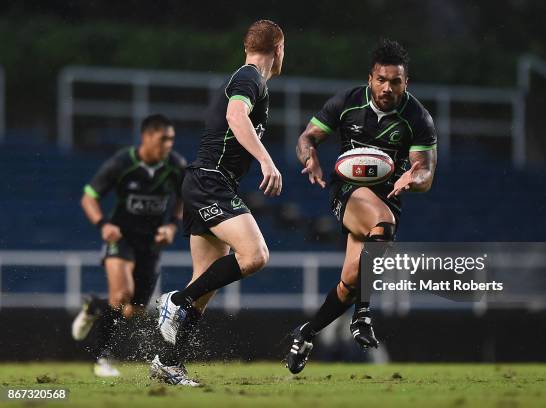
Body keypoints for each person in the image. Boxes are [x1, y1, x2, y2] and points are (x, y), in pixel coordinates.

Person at [286, 39, 438, 374]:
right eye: (381, 79)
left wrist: (414, 179)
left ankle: (306, 333)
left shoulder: (417, 117)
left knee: (351, 280)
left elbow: (426, 172)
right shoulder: (347, 102)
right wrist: (309, 154)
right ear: (370, 78)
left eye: (395, 81)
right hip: (349, 192)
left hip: (389, 197)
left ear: (405, 83)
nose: (387, 87)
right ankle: (362, 316)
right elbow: (307, 137)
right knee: (383, 225)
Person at [150, 19, 285, 386]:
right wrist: (266, 159)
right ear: (279, 50)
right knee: (255, 255)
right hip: (211, 182)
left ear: (246, 46)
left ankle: (168, 363)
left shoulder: (248, 76)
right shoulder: (250, 78)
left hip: (203, 182)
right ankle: (173, 302)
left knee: (204, 289)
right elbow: (234, 115)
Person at [72, 114, 186, 377]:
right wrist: (103, 225)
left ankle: (94, 307)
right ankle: (102, 360)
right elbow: (89, 197)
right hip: (121, 239)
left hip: (151, 245)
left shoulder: (175, 166)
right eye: (163, 139)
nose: (168, 144)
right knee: (121, 294)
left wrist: (171, 225)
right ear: (146, 137)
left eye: (171, 139)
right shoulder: (123, 162)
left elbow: (183, 199)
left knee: (132, 311)